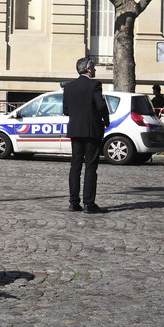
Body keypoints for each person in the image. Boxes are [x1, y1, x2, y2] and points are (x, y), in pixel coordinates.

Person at [63, 57, 110, 214]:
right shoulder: (94, 85)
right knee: (90, 167)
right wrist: (106, 119)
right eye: (94, 67)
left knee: (75, 167)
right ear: (88, 69)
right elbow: (101, 105)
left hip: (75, 130)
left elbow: (66, 110)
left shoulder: (69, 87)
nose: (95, 70)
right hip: (91, 131)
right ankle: (89, 203)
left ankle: (73, 202)